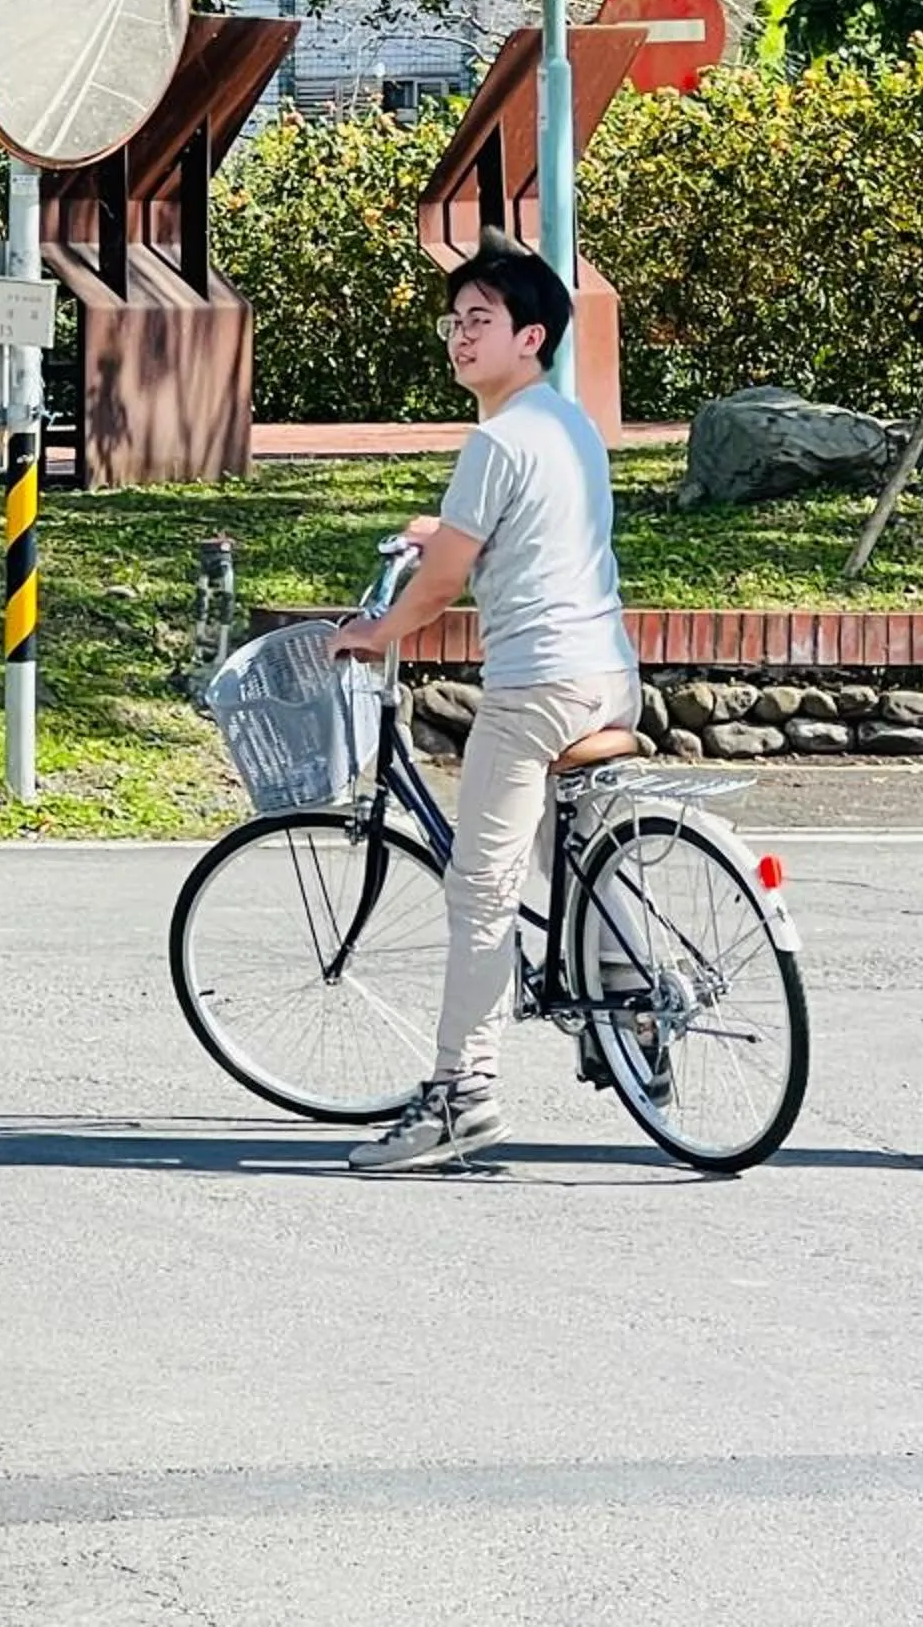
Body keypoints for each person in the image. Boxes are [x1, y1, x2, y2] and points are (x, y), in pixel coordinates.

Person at [327, 236, 639, 1172]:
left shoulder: (494, 441)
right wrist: (445, 530)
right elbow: (518, 533)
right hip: (608, 673)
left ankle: (462, 1095)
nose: (461, 336)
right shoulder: (566, 424)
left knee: (479, 889)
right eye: (454, 321)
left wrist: (374, 633)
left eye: (481, 320)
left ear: (530, 336)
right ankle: (631, 1009)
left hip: (535, 684)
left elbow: (442, 585)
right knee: (569, 849)